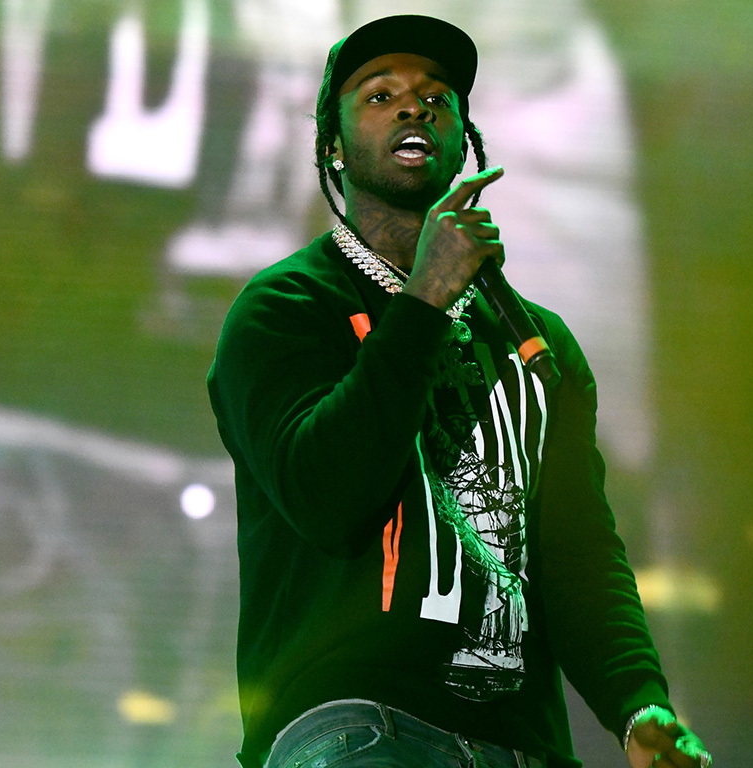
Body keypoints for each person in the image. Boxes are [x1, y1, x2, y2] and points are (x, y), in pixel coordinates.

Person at [208, 14, 712, 768]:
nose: (414, 107)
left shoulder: (538, 343)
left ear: (465, 142)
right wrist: (421, 304)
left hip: (524, 745)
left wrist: (638, 701)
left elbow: (577, 550)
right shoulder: (285, 309)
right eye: (379, 96)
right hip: (358, 730)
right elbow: (323, 494)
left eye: (435, 97)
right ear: (332, 148)